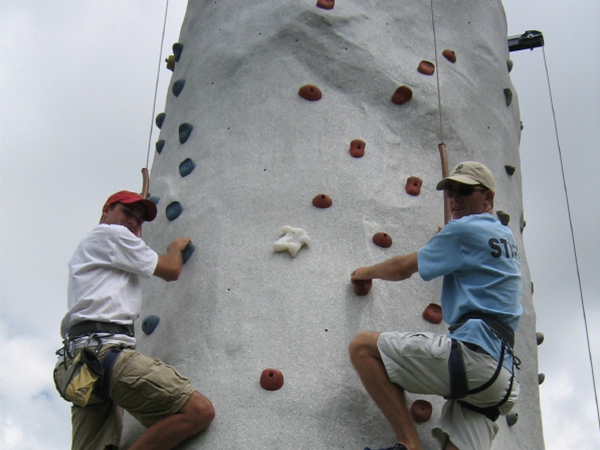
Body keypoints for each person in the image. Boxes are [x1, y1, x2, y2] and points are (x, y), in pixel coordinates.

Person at [349, 162, 522, 450]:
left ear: (488, 197)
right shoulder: (505, 238)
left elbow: (403, 267)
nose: (454, 197)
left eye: (465, 191)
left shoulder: (463, 231)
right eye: (451, 190)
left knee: (363, 347)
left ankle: (409, 443)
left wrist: (367, 271)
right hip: (501, 380)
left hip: (473, 358)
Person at [54, 190, 215, 450]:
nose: (133, 222)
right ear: (106, 210)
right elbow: (170, 270)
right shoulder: (111, 234)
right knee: (197, 411)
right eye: (127, 213)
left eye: (139, 221)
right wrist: (174, 249)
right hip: (106, 354)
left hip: (76, 368)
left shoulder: (94, 247)